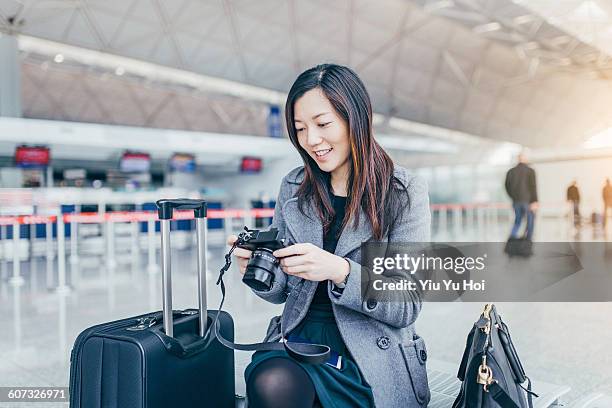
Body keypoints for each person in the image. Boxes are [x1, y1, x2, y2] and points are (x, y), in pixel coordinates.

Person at [227, 64, 431, 408]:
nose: (311, 140)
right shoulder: (294, 187)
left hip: (369, 355)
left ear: (356, 119)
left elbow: (407, 304)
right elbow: (281, 295)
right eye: (300, 129)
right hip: (298, 341)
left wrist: (341, 271)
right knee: (272, 382)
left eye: (323, 124)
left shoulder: (402, 191)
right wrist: (256, 267)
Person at [505, 152, 538, 240]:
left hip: (516, 201)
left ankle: (512, 238)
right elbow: (533, 186)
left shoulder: (511, 172)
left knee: (518, 220)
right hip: (528, 201)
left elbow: (507, 186)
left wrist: (512, 196)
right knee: (530, 220)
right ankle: (528, 239)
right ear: (525, 159)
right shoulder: (530, 171)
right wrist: (534, 201)